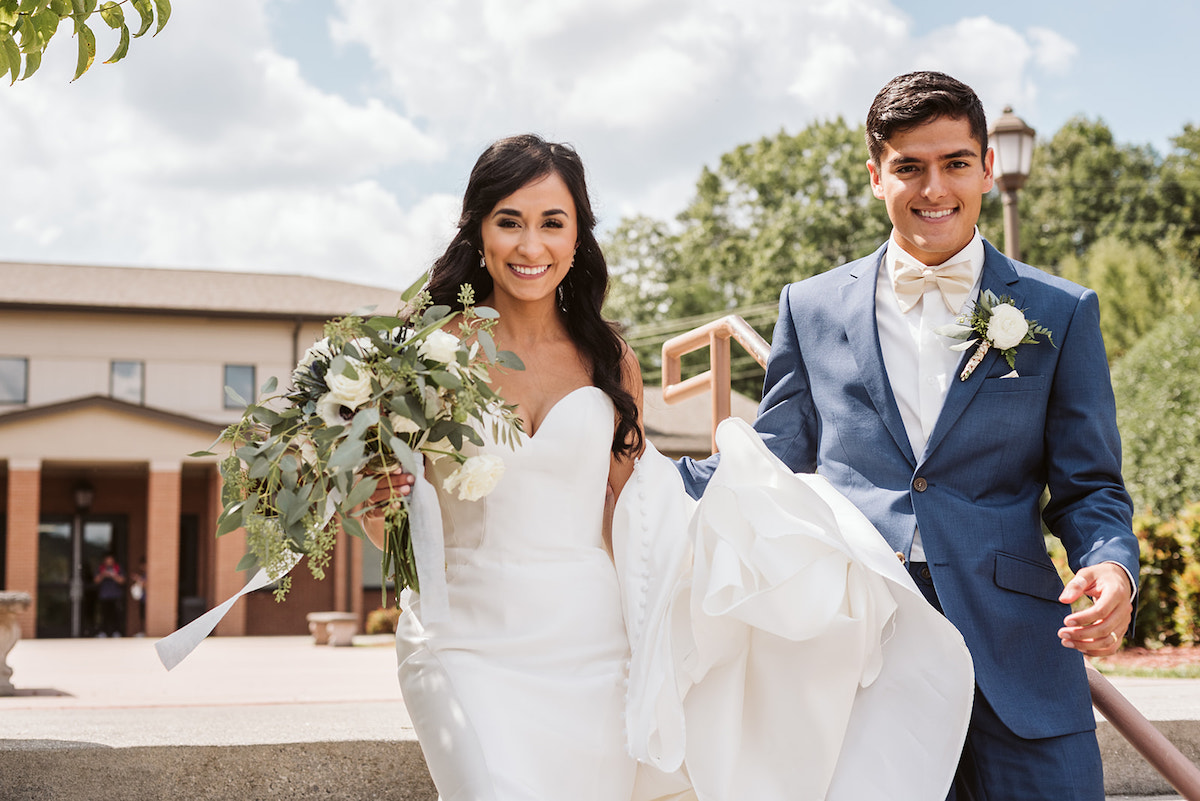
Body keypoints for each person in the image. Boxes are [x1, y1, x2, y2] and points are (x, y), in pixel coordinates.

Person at [371, 134, 974, 801]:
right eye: (509, 221)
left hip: (594, 648)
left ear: (579, 237)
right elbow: (393, 532)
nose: (531, 245)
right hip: (463, 642)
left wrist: (774, 541)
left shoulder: (607, 359)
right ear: (478, 229)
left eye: (552, 222)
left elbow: (639, 517)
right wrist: (377, 507)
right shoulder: (426, 356)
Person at [678, 71, 1140, 801]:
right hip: (863, 646)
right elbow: (764, 460)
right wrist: (628, 466)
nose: (934, 188)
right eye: (909, 167)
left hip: (1016, 651)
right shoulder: (811, 305)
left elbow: (1090, 489)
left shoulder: (1064, 311)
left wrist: (1113, 569)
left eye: (956, 163)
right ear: (875, 175)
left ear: (987, 167)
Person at [94, 552, 126, 638]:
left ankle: (116, 632)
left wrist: (113, 576)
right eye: (107, 560)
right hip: (104, 596)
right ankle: (103, 632)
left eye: (110, 560)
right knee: (104, 615)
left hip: (115, 596)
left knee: (116, 615)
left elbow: (122, 580)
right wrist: (103, 575)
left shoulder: (118, 568)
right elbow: (96, 581)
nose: (109, 562)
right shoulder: (101, 568)